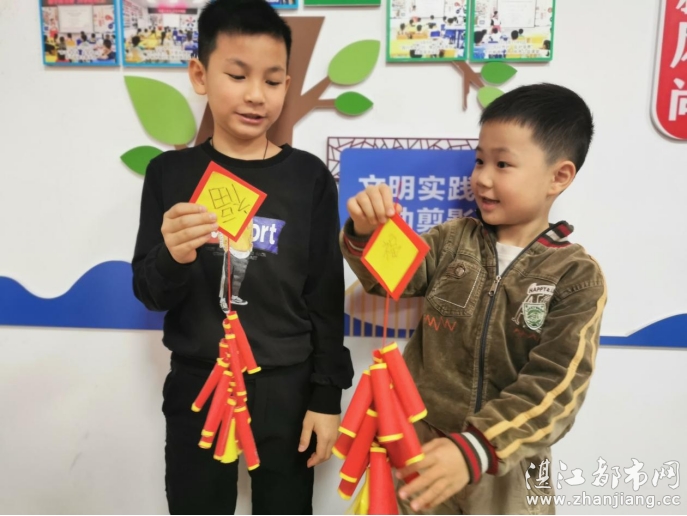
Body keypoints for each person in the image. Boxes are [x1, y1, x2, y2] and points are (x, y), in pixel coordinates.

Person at [340, 83, 606, 515]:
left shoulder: (576, 276)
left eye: (503, 164)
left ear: (558, 176)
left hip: (511, 462)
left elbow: (557, 388)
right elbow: (389, 279)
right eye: (479, 160)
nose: (481, 177)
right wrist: (367, 232)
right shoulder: (452, 240)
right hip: (423, 447)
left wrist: (478, 447)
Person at [131, 0, 353, 514]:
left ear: (287, 85)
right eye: (237, 75)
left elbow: (323, 296)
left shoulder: (309, 178)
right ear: (200, 75)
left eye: (272, 81)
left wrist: (326, 396)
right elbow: (149, 291)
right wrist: (172, 256)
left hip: (286, 385)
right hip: (198, 381)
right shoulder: (169, 174)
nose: (256, 94)